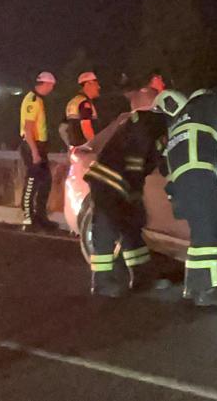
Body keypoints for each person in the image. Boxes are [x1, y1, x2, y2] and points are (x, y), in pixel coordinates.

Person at [152, 89, 217, 306]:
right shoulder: (205, 103)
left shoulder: (176, 125)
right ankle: (207, 290)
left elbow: (163, 166)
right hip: (199, 175)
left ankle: (192, 287)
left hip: (181, 183)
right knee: (208, 232)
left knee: (199, 235)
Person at [84, 88, 170, 297]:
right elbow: (135, 160)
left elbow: (152, 158)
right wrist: (133, 191)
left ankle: (142, 278)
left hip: (121, 182)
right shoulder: (148, 123)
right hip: (108, 181)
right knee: (106, 228)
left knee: (131, 226)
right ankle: (102, 284)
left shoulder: (151, 125)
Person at [19, 71, 57, 231]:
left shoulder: (38, 100)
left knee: (45, 181)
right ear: (46, 84)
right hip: (32, 145)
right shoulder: (33, 101)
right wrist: (35, 152)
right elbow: (28, 129)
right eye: (52, 86)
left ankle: (40, 216)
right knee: (32, 182)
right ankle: (28, 217)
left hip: (39, 146)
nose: (52, 89)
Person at [65, 71, 101, 146]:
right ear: (87, 84)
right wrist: (94, 145)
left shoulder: (74, 101)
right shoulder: (84, 103)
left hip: (76, 147)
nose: (98, 87)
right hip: (85, 148)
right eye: (96, 84)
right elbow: (86, 125)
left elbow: (63, 128)